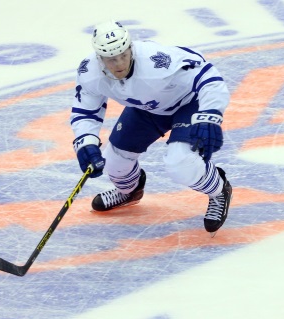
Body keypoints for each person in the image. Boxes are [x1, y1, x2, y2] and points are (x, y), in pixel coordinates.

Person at [70, 20, 232, 235]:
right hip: (146, 108)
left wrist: (211, 114)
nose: (119, 64)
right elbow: (85, 110)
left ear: (131, 49)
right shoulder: (89, 72)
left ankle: (219, 190)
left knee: (179, 163)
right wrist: (85, 142)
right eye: (111, 59)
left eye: (123, 55)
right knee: (113, 162)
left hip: (187, 103)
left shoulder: (156, 61)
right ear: (99, 58)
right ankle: (130, 191)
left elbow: (207, 75)